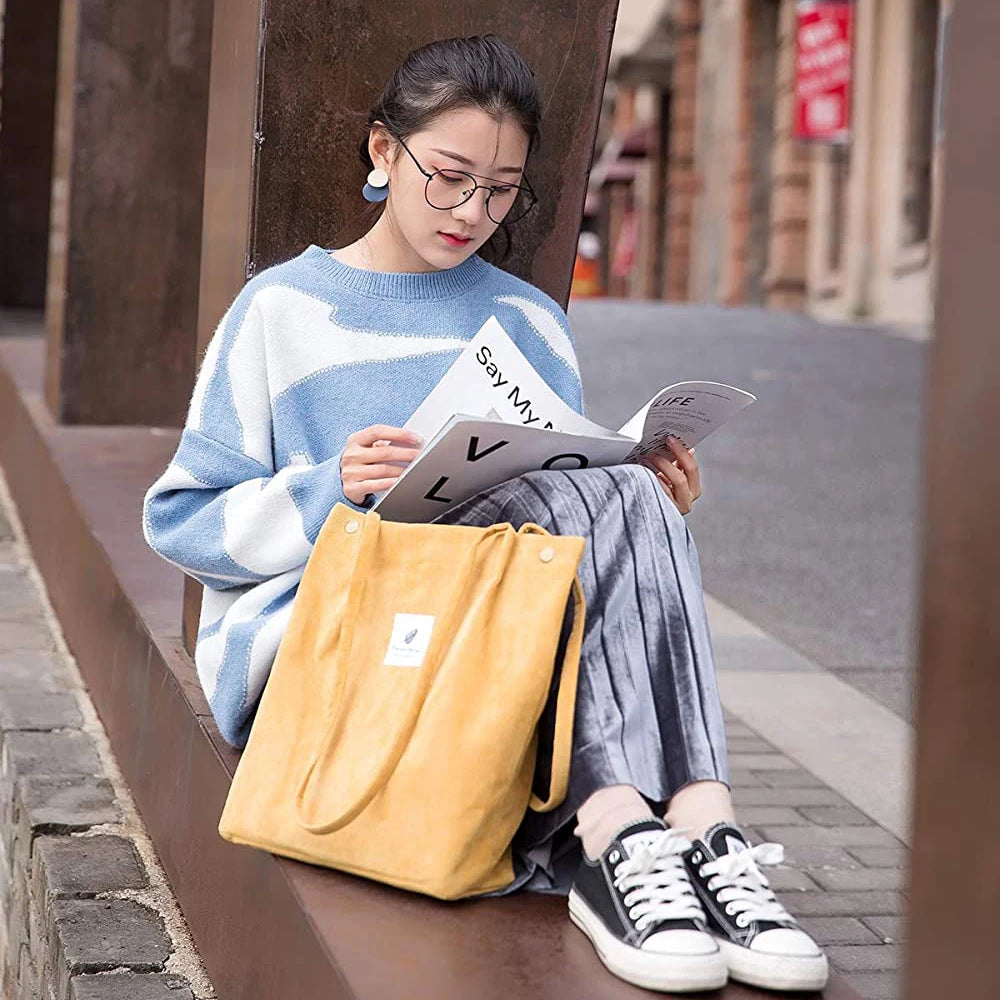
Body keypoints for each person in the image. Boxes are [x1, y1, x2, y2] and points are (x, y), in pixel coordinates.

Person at [142, 34, 829, 995]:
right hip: (334, 653)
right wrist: (324, 488)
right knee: (578, 499)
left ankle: (689, 829)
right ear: (384, 152)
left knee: (622, 486)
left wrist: (654, 504)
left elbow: (560, 532)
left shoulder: (529, 322)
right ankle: (619, 837)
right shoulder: (280, 311)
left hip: (492, 647)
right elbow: (180, 520)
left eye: (501, 190)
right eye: (450, 177)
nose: (473, 212)